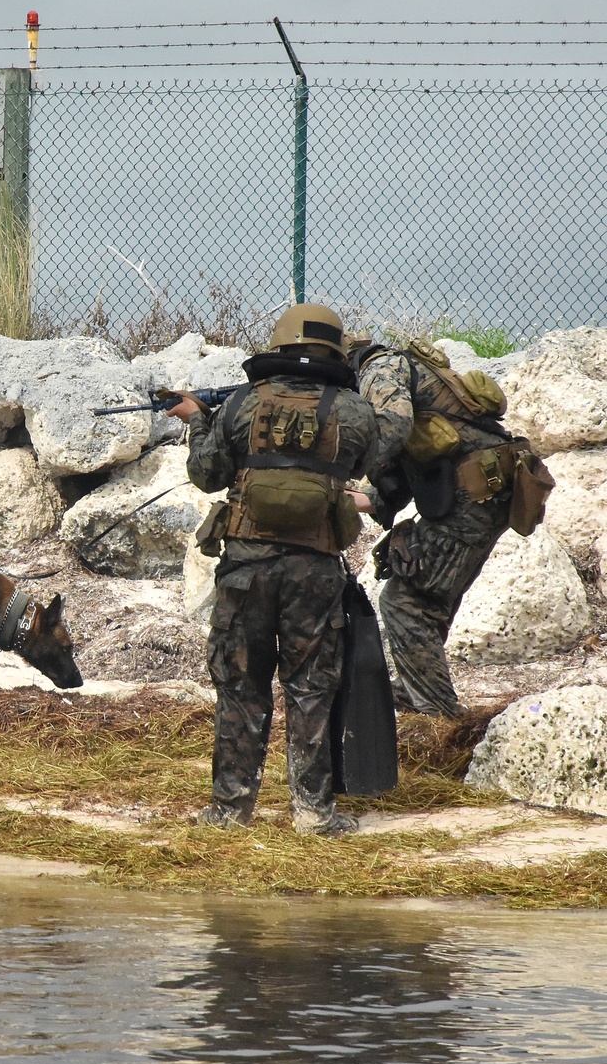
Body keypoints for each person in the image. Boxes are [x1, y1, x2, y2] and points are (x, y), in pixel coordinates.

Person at [169, 304, 378, 835]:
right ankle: (313, 812)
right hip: (316, 569)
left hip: (246, 569)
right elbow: (363, 462)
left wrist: (198, 421)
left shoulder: (241, 402)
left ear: (279, 346)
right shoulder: (353, 409)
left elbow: (207, 475)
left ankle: (229, 812)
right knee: (312, 688)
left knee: (241, 686)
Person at [349, 334, 517, 718]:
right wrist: (353, 497)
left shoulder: (379, 368)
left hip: (473, 493)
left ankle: (437, 716)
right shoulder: (412, 371)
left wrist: (339, 458)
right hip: (487, 490)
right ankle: (419, 689)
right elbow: (417, 457)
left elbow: (392, 427)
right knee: (428, 600)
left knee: (406, 602)